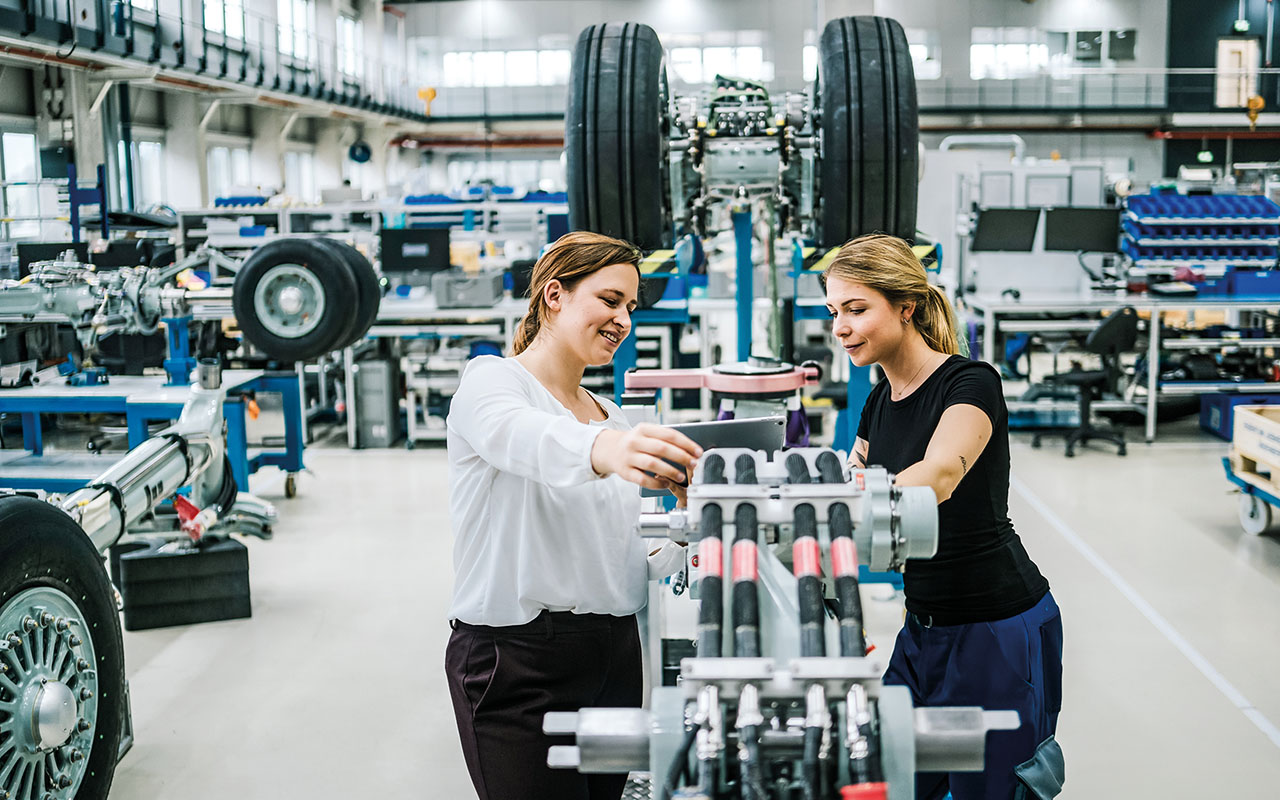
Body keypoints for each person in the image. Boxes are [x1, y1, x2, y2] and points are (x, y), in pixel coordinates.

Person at [445, 231, 701, 800]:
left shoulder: (609, 415)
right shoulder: (494, 382)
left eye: (630, 307)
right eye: (610, 300)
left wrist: (691, 524)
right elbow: (522, 438)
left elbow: (620, 563)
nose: (623, 320)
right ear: (554, 296)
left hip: (612, 654)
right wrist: (605, 451)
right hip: (517, 662)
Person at [823, 234, 1064, 800]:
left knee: (994, 789)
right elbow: (850, 489)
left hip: (997, 626)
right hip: (923, 629)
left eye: (857, 310)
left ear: (905, 306)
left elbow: (938, 477)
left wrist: (835, 502)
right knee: (895, 777)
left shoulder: (970, 383)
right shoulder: (878, 400)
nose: (841, 327)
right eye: (835, 312)